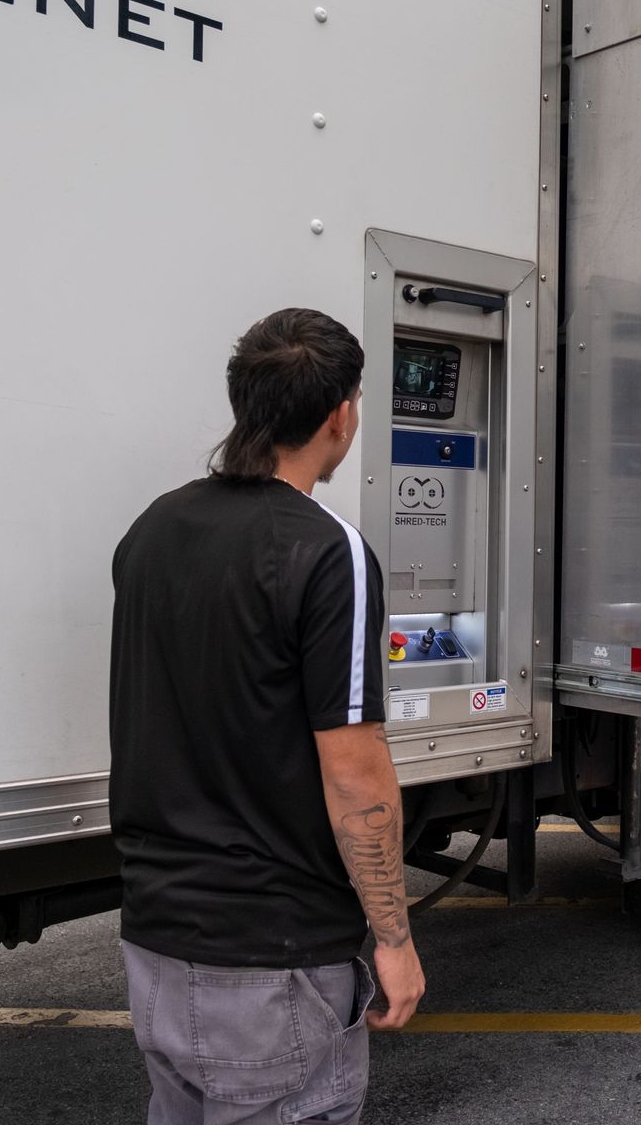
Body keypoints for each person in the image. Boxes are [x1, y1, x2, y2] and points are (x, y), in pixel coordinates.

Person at [110, 307, 423, 1125]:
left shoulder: (153, 529)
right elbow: (355, 775)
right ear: (339, 416)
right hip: (270, 964)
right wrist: (394, 939)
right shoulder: (328, 552)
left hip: (155, 944)